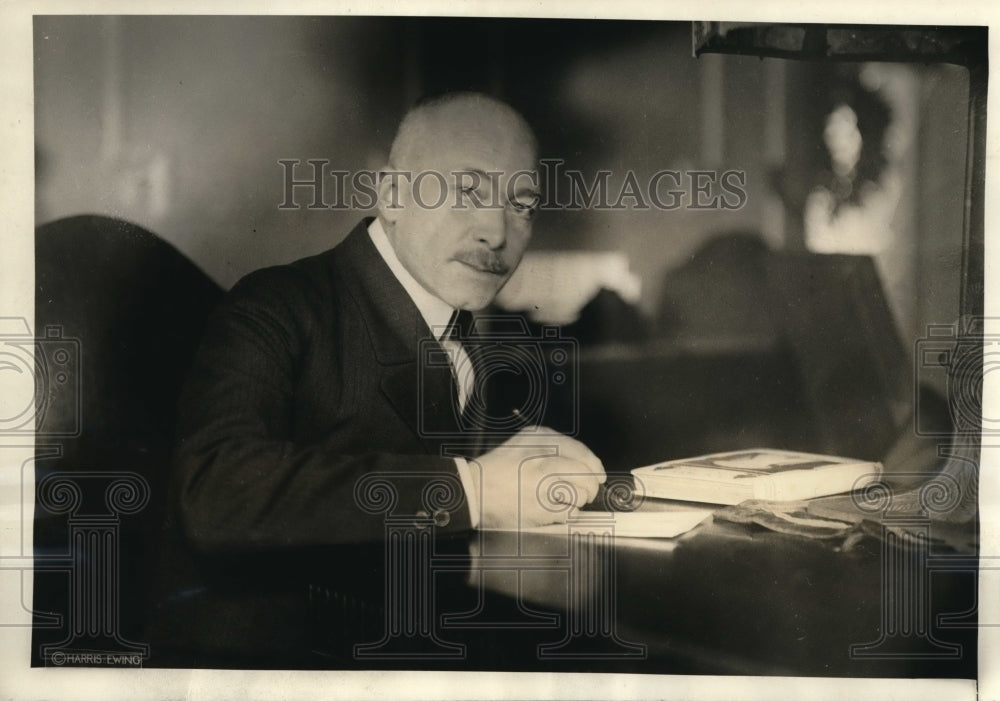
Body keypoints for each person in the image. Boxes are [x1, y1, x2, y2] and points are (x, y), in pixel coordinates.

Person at [150, 92, 605, 663]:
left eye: (523, 205)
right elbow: (216, 493)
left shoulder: (484, 339)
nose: (497, 231)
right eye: (467, 191)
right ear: (391, 195)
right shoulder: (276, 307)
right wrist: (472, 488)